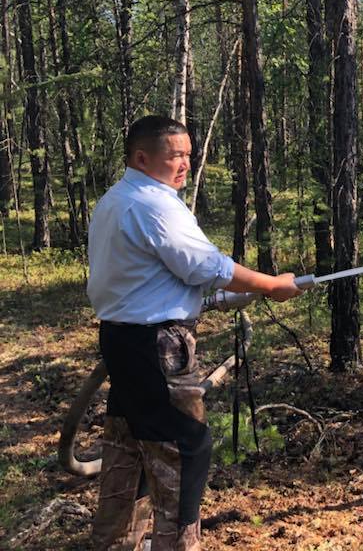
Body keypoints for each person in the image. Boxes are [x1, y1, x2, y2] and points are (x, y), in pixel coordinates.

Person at [87, 115, 302, 551]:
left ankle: (115, 542)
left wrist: (215, 298)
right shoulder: (154, 203)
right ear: (142, 158)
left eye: (188, 154)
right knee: (184, 448)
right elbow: (207, 266)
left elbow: (150, 278)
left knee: (130, 447)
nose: (184, 164)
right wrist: (271, 285)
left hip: (124, 341)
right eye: (175, 156)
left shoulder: (115, 199)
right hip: (157, 348)